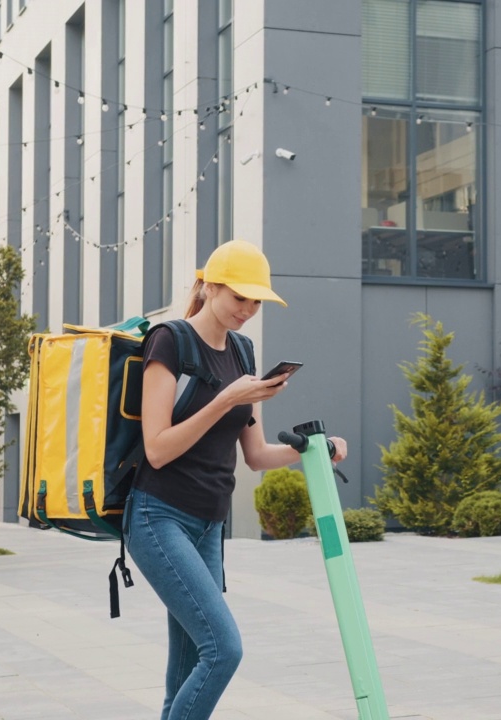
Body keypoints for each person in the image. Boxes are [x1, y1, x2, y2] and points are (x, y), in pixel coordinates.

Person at [124, 239, 346, 720]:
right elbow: (158, 448)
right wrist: (226, 399)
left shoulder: (243, 352)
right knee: (223, 650)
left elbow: (257, 456)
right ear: (208, 288)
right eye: (238, 297)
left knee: (184, 674)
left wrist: (314, 449)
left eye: (256, 301)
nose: (247, 309)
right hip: (157, 516)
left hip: (208, 526)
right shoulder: (170, 341)